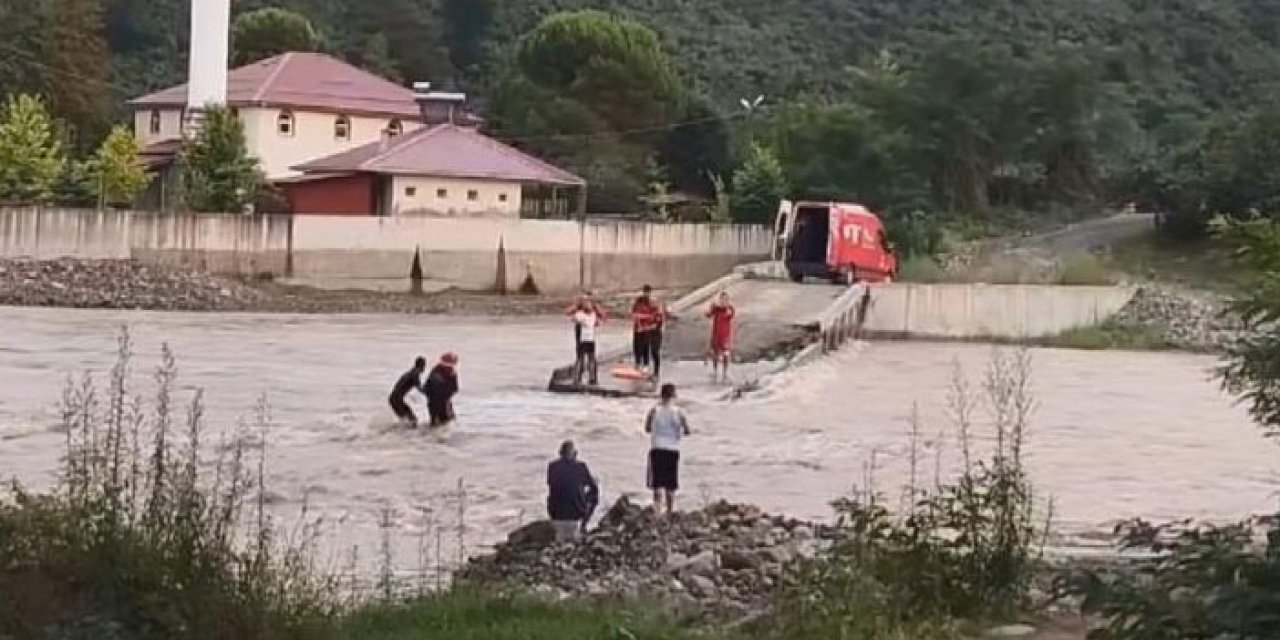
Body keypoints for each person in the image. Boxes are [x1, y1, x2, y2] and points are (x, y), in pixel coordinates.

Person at [644, 383, 690, 515]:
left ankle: (657, 510)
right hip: (672, 449)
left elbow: (647, 428)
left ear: (661, 395)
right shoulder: (679, 412)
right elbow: (687, 430)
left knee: (657, 483)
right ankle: (670, 511)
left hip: (657, 448)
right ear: (674, 395)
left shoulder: (654, 411)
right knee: (671, 483)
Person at [546, 440, 600, 542]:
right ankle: (583, 526)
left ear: (560, 453)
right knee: (594, 493)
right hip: (576, 512)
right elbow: (592, 487)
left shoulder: (552, 467)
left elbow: (552, 485)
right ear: (575, 454)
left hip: (556, 512)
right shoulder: (581, 467)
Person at [631, 285, 665, 380]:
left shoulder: (656, 307)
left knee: (654, 351)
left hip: (654, 332)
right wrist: (640, 324)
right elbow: (635, 314)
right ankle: (641, 365)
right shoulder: (639, 302)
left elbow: (658, 320)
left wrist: (649, 325)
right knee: (641, 346)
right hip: (643, 330)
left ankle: (656, 371)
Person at [706, 291, 736, 382]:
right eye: (722, 299)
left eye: (725, 300)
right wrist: (712, 306)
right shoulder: (716, 310)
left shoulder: (729, 309)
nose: (723, 301)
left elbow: (731, 315)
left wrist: (728, 307)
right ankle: (715, 371)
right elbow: (708, 315)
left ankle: (725, 372)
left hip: (725, 336)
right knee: (715, 354)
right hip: (715, 335)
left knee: (726, 354)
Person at [423, 352, 459, 428]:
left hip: (443, 402)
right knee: (441, 424)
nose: (453, 367)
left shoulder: (450, 373)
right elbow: (453, 389)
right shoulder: (436, 374)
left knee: (446, 423)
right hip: (438, 403)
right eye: (452, 364)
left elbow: (455, 388)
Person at [388, 357, 427, 427]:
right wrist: (431, 392)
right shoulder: (415, 374)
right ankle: (407, 436)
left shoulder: (410, 372)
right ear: (422, 366)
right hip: (397, 400)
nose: (424, 369)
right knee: (412, 420)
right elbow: (420, 389)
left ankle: (400, 434)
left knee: (406, 420)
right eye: (424, 366)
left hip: (393, 399)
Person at [571, 303, 602, 386]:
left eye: (590, 305)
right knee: (581, 358)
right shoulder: (580, 314)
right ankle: (577, 378)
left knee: (591, 358)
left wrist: (596, 309)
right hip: (583, 339)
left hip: (591, 340)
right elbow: (573, 319)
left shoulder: (593, 314)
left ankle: (592, 378)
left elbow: (598, 322)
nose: (588, 306)